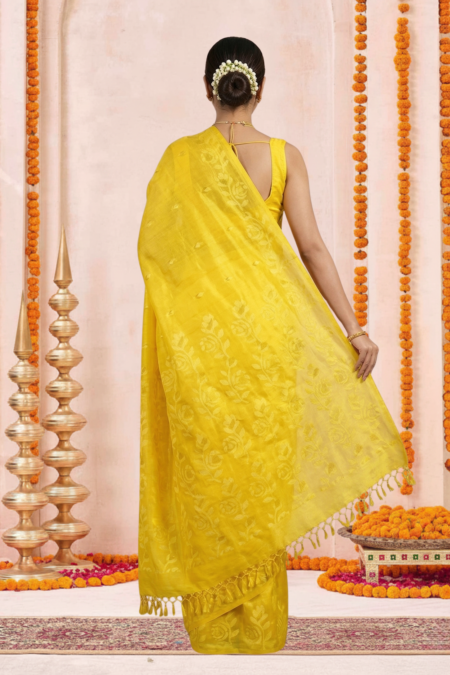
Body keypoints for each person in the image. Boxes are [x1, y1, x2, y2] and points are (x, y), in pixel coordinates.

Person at [137, 36, 413, 655]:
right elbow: (311, 248)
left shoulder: (179, 159)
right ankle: (260, 628)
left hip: (202, 350)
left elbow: (158, 257)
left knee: (211, 478)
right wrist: (354, 329)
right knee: (263, 480)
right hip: (270, 345)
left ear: (208, 88)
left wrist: (183, 329)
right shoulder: (284, 156)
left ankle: (213, 626)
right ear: (259, 89)